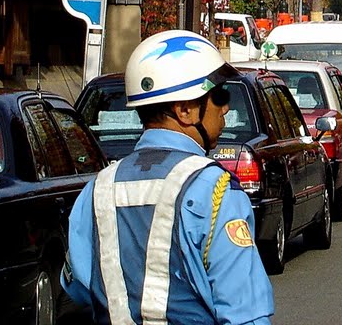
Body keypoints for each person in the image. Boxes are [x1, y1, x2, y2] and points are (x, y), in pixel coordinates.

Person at [62, 30, 275, 324]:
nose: (225, 107)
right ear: (185, 110)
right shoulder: (215, 189)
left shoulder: (98, 188)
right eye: (217, 96)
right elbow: (244, 311)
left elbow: (77, 288)